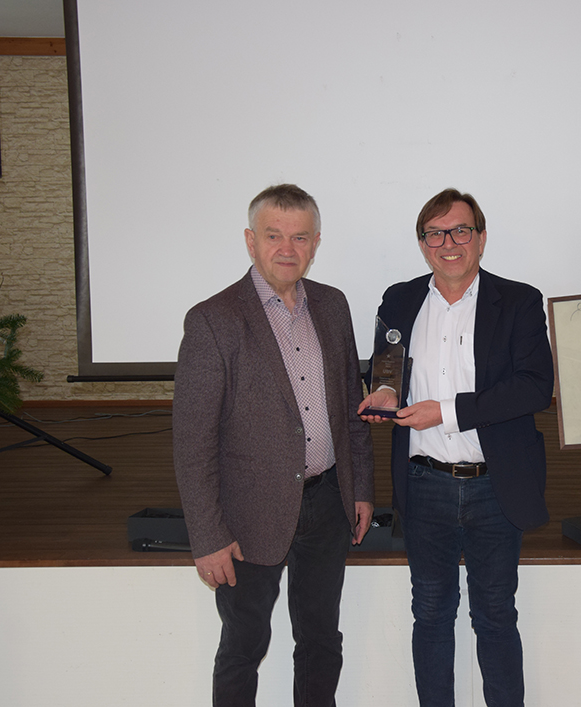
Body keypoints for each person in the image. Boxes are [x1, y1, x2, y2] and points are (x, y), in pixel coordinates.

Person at [174, 184, 375, 707]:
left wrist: (360, 489)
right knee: (243, 647)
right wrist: (207, 536)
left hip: (328, 504)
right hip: (246, 519)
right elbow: (192, 443)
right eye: (273, 236)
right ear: (250, 241)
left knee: (320, 641)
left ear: (315, 243)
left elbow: (351, 410)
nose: (288, 248)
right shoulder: (212, 320)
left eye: (300, 237)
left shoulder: (332, 306)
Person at [358, 188, 554, 707]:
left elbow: (535, 386)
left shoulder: (518, 301)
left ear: (481, 239)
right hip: (424, 485)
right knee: (431, 615)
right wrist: (381, 392)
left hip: (495, 486)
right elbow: (387, 370)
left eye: (461, 231)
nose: (449, 243)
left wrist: (445, 410)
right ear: (423, 244)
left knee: (495, 617)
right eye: (435, 233)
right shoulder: (399, 300)